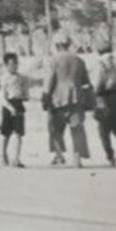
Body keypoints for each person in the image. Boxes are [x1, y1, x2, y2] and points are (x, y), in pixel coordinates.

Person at [42, 35, 93, 168]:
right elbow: (86, 82)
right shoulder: (79, 60)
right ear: (68, 44)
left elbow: (49, 81)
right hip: (76, 99)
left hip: (58, 100)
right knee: (77, 129)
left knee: (56, 129)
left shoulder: (52, 60)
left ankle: (59, 155)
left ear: (57, 45)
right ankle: (77, 158)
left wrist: (45, 98)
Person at [0, 51, 30, 167]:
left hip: (18, 104)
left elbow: (25, 93)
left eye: (16, 63)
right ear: (6, 65)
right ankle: (3, 154)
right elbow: (1, 97)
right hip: (8, 105)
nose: (15, 66)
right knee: (6, 133)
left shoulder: (22, 77)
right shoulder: (4, 78)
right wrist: (10, 108)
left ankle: (16, 158)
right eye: (12, 64)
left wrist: (25, 95)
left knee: (19, 133)